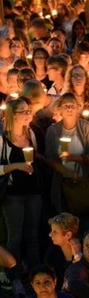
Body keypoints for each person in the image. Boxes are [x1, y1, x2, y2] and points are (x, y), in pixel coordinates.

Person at [0, 98, 42, 268]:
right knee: (15, 236)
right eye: (23, 111)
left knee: (33, 234)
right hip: (13, 194)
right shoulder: (3, 140)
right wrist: (16, 166)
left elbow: (36, 156)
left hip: (33, 191)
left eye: (28, 110)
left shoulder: (30, 134)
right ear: (13, 115)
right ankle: (13, 275)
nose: (28, 113)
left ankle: (36, 272)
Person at [43, 213, 81, 290]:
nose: (50, 234)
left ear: (68, 235)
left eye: (55, 232)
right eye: (51, 231)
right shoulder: (53, 251)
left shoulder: (83, 250)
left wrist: (78, 256)